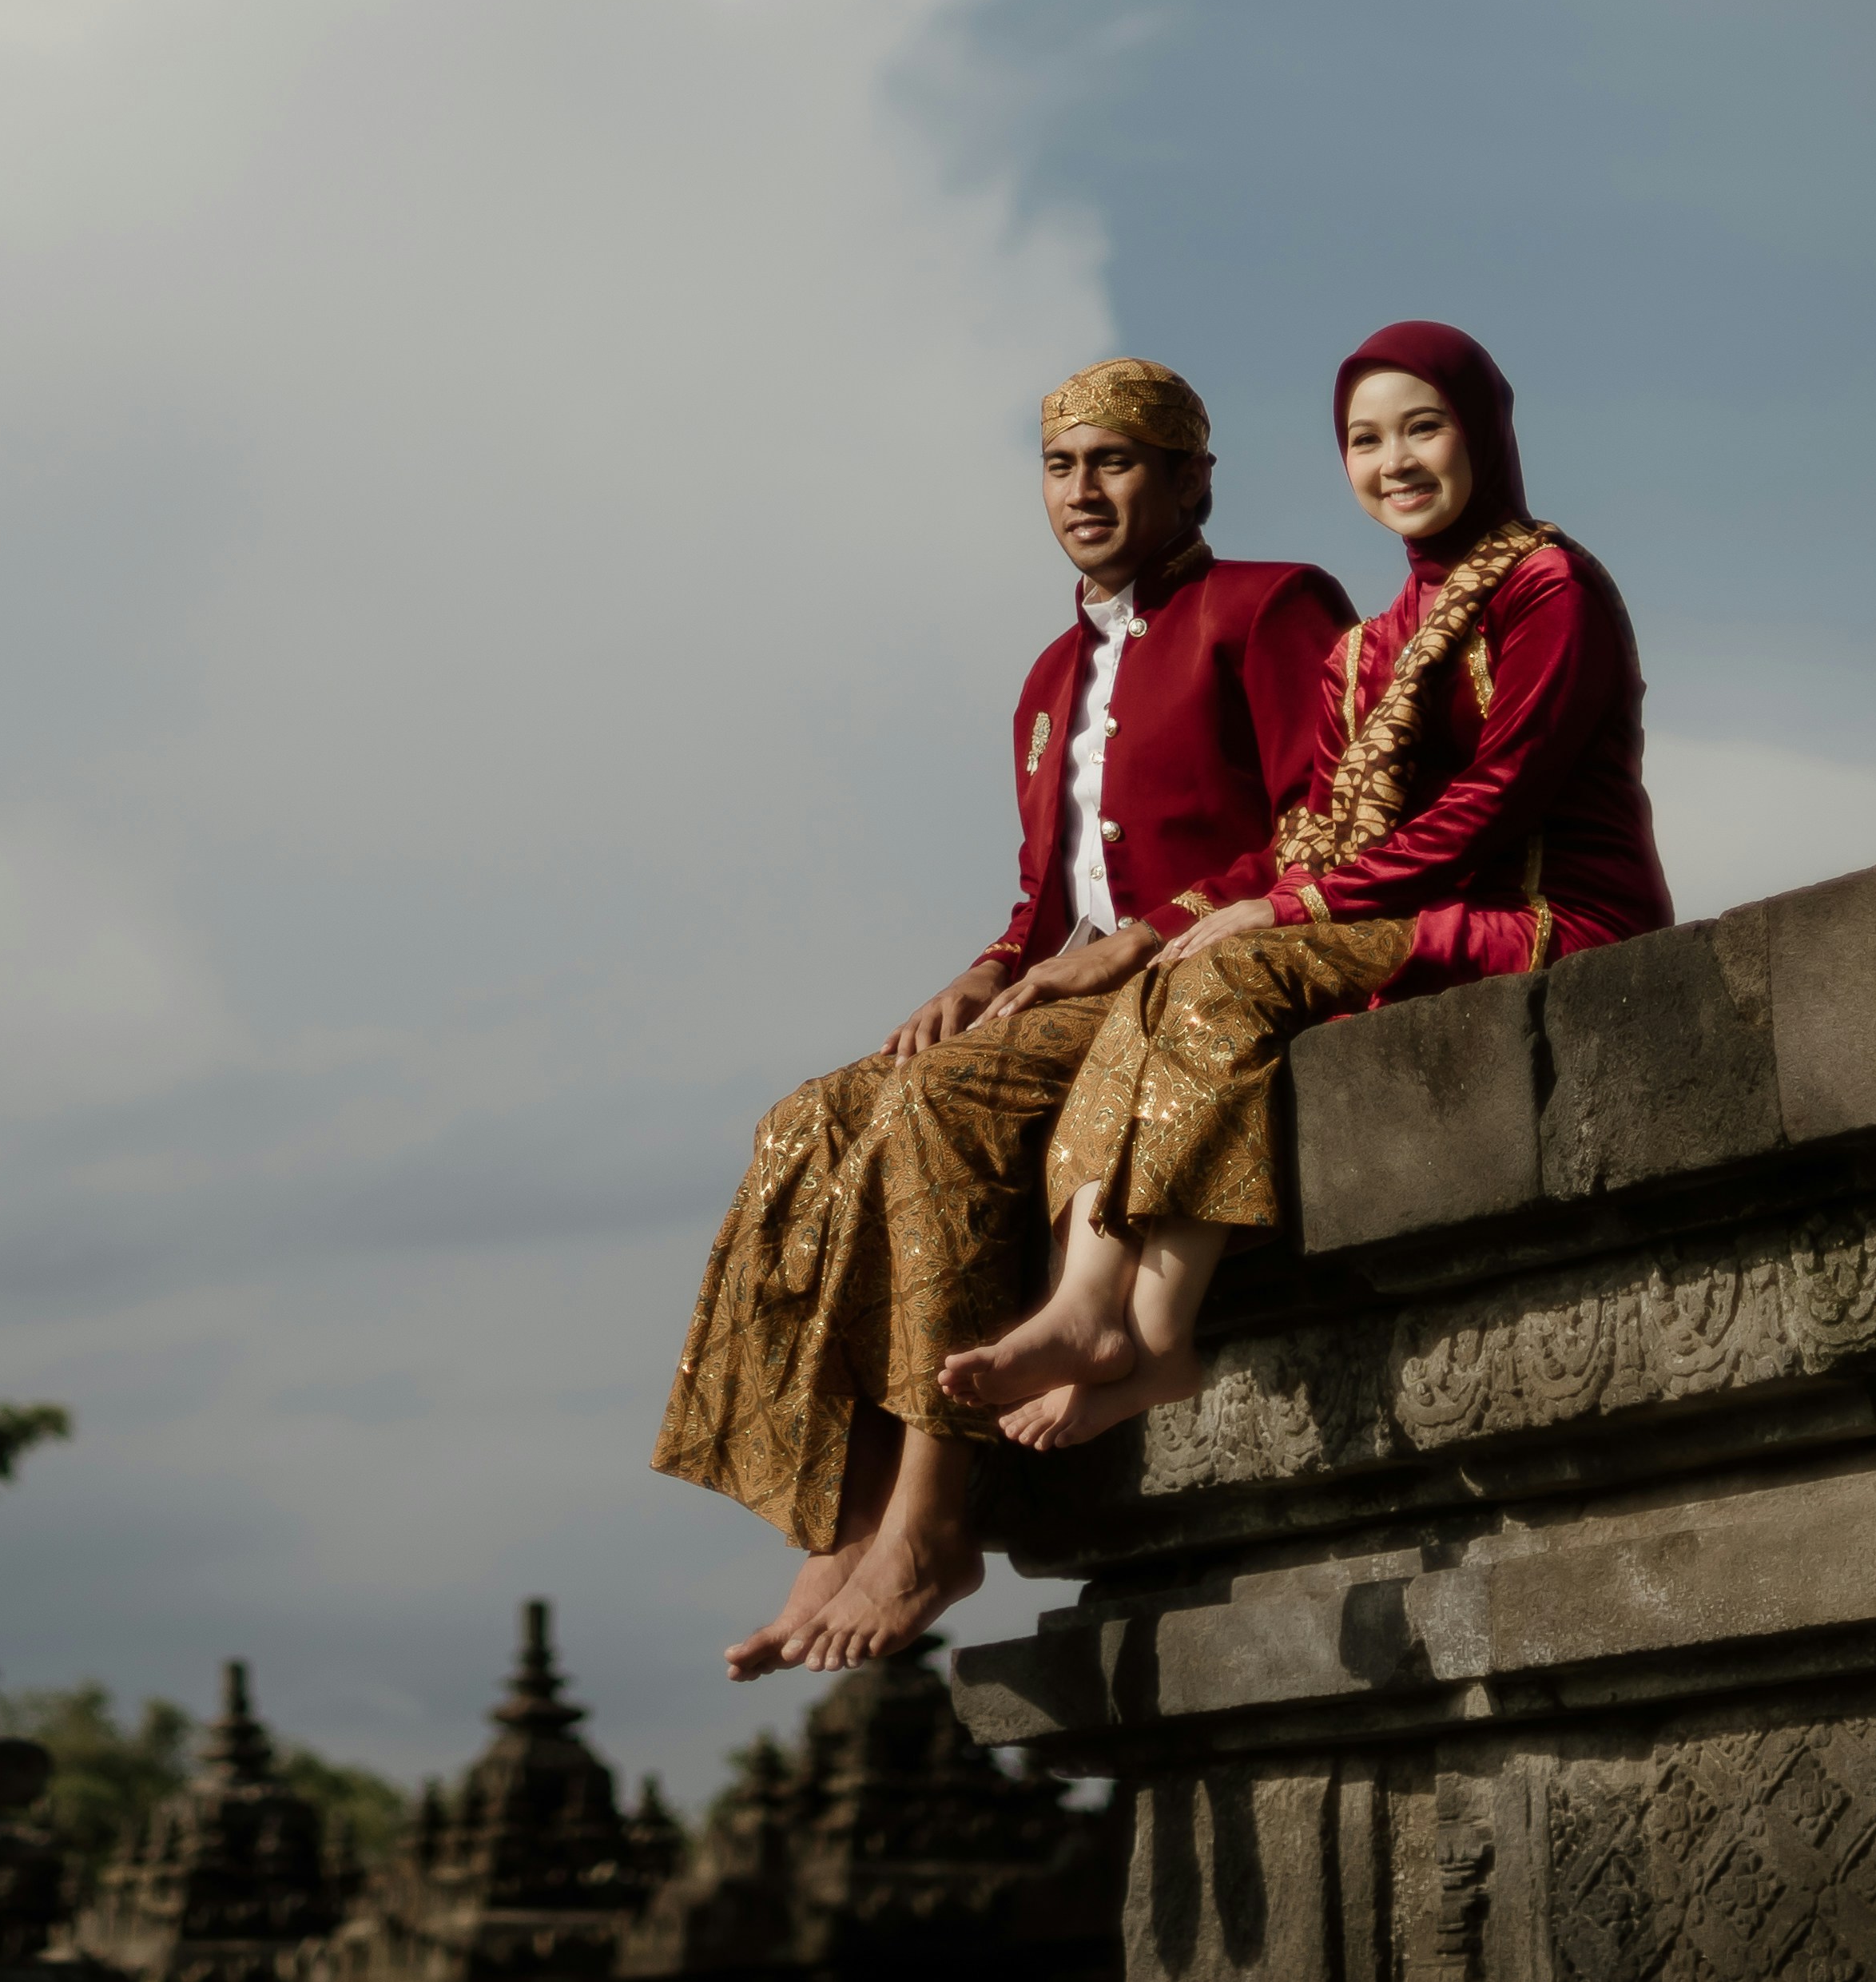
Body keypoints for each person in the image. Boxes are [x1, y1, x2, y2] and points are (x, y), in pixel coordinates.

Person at [655, 359, 1354, 1678]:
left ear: (1193, 481)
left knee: (935, 1103)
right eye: (1060, 465)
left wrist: (1158, 927)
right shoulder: (1048, 677)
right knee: (809, 1121)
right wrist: (985, 970)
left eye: (1116, 461)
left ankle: (933, 1520)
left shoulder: (1269, 607)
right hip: (1075, 981)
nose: (1083, 490)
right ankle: (845, 1516)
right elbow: (1048, 905)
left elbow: (1332, 824)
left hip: (1195, 978)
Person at [939, 320, 1671, 1452]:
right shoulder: (1372, 646)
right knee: (1166, 975)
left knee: (1226, 974)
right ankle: (1093, 1306)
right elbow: (1319, 833)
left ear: (1484, 433)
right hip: (1421, 922)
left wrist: (1290, 908)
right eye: (1366, 441)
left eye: (1423, 429)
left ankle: (1156, 1335)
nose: (1396, 462)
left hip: (1550, 919)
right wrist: (1240, 907)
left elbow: (1495, 799)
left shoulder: (1548, 588)